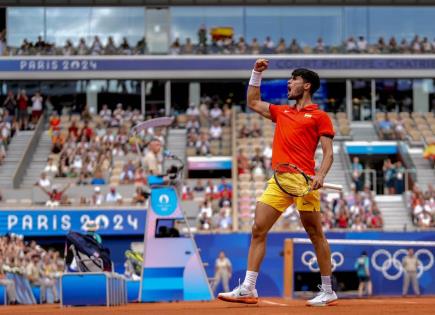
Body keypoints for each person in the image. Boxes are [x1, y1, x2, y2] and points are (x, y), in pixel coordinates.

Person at [218, 59, 337, 306]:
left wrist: (320, 176)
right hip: (279, 180)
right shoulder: (282, 112)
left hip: (304, 181)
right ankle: (249, 287)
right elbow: (252, 102)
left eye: (293, 79)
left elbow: (328, 153)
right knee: (258, 229)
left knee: (315, 234)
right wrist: (256, 73)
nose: (288, 83)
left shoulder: (320, 116)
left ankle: (328, 290)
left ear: (306, 85)